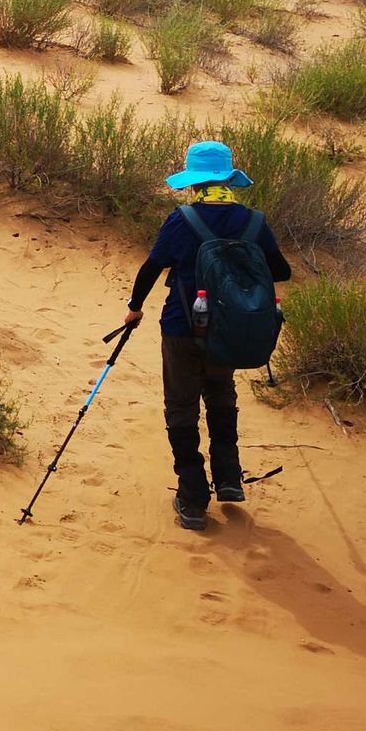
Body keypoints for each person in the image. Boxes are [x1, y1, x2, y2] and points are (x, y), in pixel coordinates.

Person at [123, 140, 293, 531]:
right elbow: (281, 271)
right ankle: (229, 479)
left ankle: (193, 496)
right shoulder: (253, 221)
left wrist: (135, 307)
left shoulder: (183, 219)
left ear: (194, 182)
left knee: (181, 407)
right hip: (229, 332)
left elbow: (152, 267)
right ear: (229, 178)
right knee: (221, 398)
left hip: (182, 328)